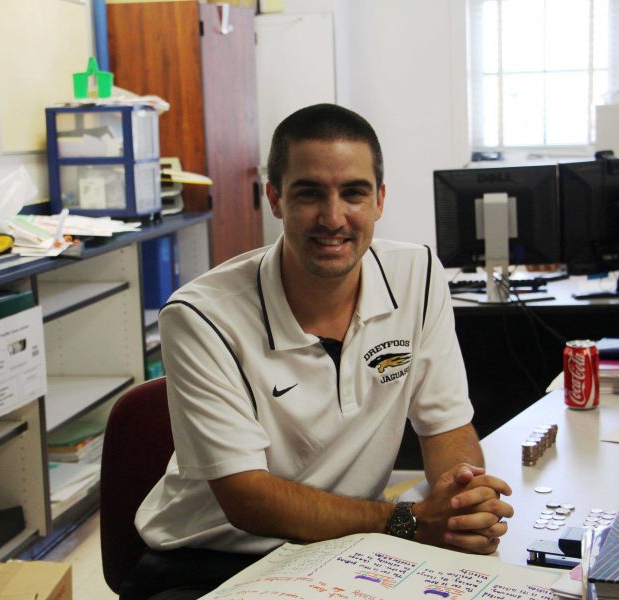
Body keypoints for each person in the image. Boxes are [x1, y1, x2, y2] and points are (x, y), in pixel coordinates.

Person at [121, 104, 514, 600]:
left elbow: (446, 425)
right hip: (214, 561)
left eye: (354, 193)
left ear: (380, 199)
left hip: (349, 550)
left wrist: (462, 501)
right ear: (275, 199)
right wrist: (409, 521)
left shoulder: (418, 275)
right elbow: (248, 500)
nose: (333, 218)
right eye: (309, 194)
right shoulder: (201, 316)